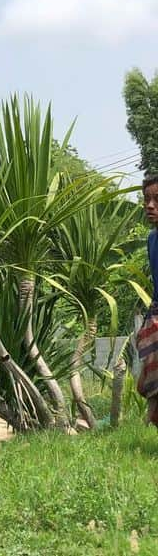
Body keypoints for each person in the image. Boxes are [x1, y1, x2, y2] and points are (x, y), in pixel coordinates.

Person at [139, 175, 158, 428]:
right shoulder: (152, 239)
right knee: (150, 383)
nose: (150, 205)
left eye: (157, 200)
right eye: (147, 199)